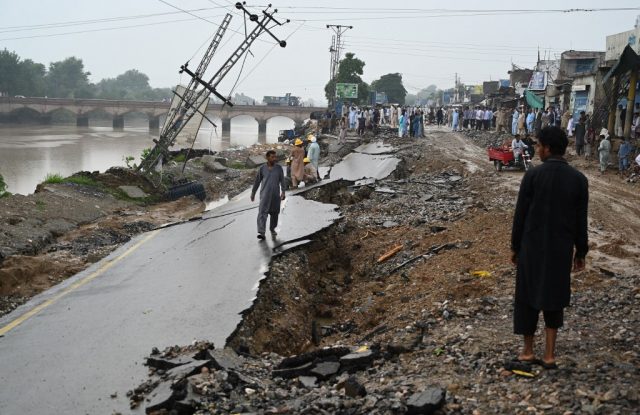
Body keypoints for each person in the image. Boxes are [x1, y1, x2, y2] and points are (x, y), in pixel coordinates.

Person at [511, 126, 588, 369]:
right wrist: (581, 251)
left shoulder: (532, 176)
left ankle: (527, 351)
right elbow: (580, 220)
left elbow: (520, 215)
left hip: (531, 246)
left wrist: (515, 246)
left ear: (547, 148)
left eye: (538, 145)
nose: (537, 149)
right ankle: (550, 355)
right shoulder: (578, 180)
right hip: (560, 249)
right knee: (554, 296)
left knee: (527, 296)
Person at [251, 150, 286, 240]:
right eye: (272, 157)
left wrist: (283, 192)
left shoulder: (278, 168)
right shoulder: (262, 169)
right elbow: (257, 181)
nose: (274, 159)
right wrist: (253, 193)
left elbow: (282, 180)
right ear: (267, 157)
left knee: (275, 214)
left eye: (275, 157)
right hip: (265, 195)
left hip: (275, 195)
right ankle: (262, 232)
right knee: (262, 213)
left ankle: (272, 229)